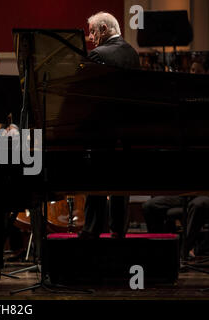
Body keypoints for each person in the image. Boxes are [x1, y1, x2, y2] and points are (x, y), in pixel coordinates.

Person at [79, 12, 140, 240]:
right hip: (128, 130)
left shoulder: (98, 54)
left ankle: (92, 230)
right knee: (121, 182)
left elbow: (86, 95)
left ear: (104, 28)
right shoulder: (132, 53)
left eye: (93, 32)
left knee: (95, 180)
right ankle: (118, 230)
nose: (91, 37)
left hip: (100, 129)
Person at [142, 196, 209, 258]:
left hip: (206, 194)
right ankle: (160, 249)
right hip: (182, 196)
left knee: (198, 205)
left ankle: (184, 251)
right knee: (148, 206)